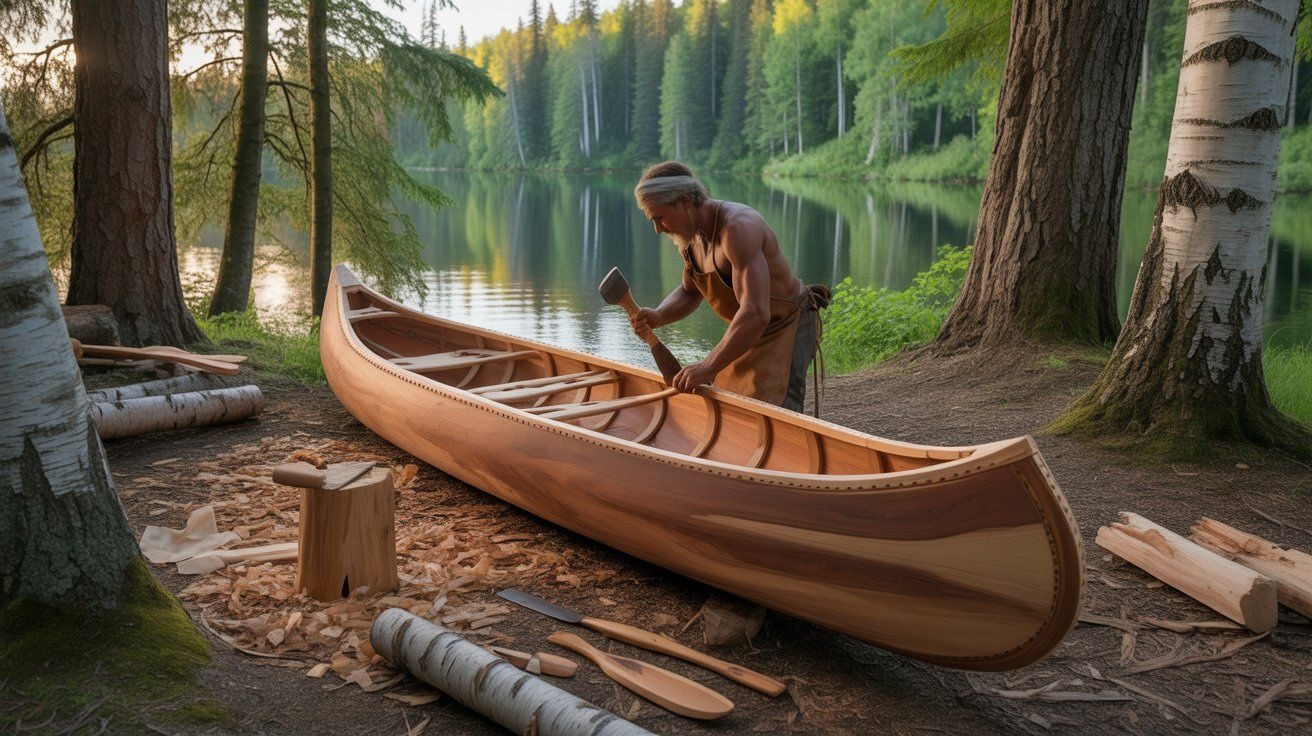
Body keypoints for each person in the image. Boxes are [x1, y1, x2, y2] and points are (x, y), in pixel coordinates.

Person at [630, 161, 829, 414]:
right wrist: (659, 314)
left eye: (659, 218)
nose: (657, 229)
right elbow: (689, 291)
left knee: (773, 414)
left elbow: (756, 313)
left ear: (684, 201)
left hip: (785, 327)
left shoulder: (738, 229)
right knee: (729, 408)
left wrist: (707, 366)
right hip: (746, 330)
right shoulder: (690, 238)